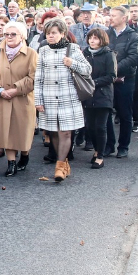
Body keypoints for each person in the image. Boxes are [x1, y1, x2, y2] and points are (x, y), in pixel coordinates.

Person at [34, 17, 91, 183]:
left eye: (54, 33)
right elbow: (39, 78)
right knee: (53, 132)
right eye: (48, 34)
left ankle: (59, 166)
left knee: (66, 131)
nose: (50, 36)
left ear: (62, 34)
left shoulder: (73, 48)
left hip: (69, 97)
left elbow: (88, 69)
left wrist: (72, 63)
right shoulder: (43, 50)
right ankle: (63, 160)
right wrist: (38, 100)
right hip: (49, 96)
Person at [0, 20, 37, 176]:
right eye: (7, 34)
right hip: (3, 99)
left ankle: (25, 155)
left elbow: (34, 77)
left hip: (23, 99)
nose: (9, 37)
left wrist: (15, 89)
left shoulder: (32, 54)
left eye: (13, 34)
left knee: (23, 132)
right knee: (7, 131)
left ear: (22, 36)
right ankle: (11, 162)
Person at [106, 6, 138, 159]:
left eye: (114, 15)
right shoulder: (106, 34)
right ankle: (109, 145)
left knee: (125, 114)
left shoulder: (134, 36)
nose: (110, 18)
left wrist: (114, 70)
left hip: (125, 80)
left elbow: (134, 58)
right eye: (110, 15)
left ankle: (123, 146)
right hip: (107, 81)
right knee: (106, 113)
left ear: (123, 18)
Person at [82, 27, 116, 169]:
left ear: (102, 40)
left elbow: (111, 76)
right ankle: (96, 150)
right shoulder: (85, 53)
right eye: (90, 38)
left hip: (103, 95)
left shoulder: (109, 54)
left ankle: (100, 155)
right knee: (90, 127)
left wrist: (93, 82)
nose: (92, 41)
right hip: (88, 95)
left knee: (100, 126)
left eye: (95, 38)